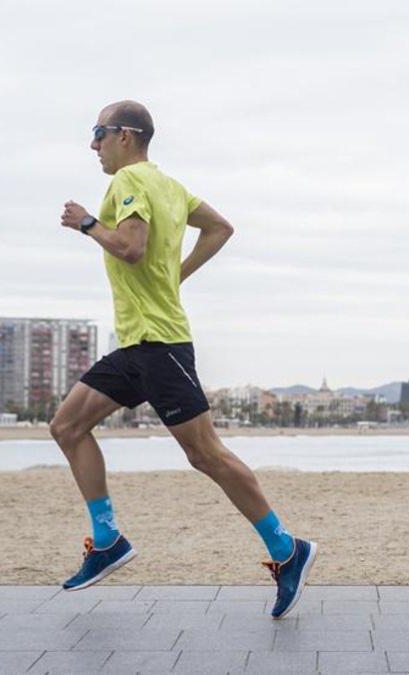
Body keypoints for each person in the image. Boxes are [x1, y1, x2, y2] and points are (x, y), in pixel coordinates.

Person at [53, 100, 316, 619]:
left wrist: (87, 223)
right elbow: (220, 227)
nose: (93, 145)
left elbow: (130, 247)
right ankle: (107, 540)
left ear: (126, 136)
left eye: (99, 133)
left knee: (206, 455)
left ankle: (288, 549)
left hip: (160, 345)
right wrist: (176, 275)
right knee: (66, 426)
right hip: (136, 344)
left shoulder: (128, 182)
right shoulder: (170, 187)